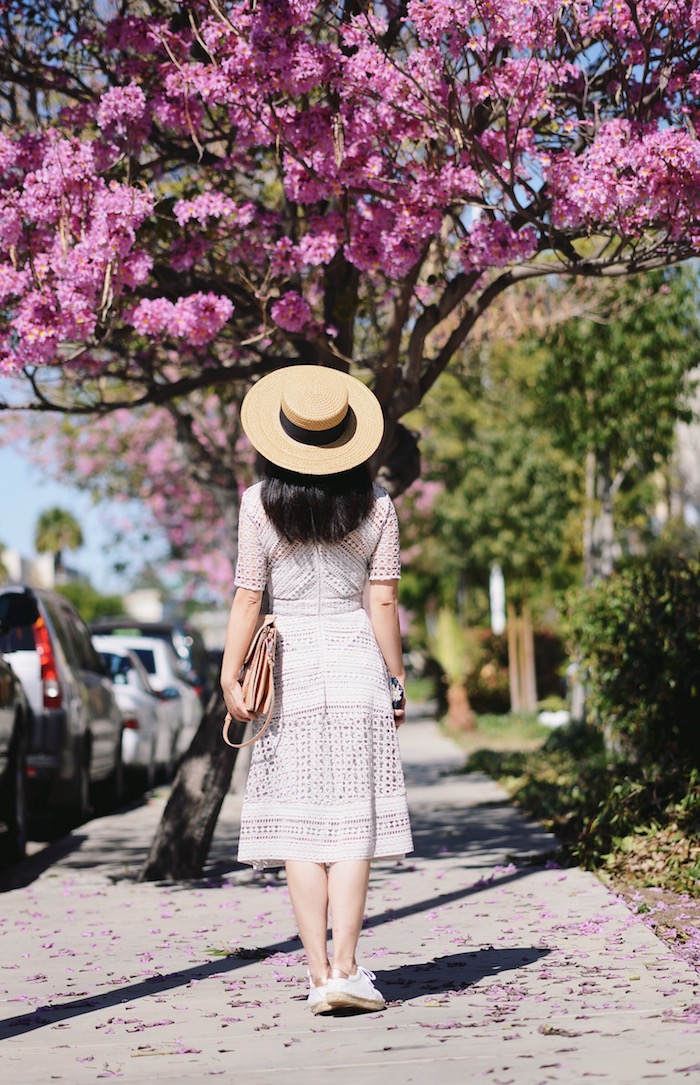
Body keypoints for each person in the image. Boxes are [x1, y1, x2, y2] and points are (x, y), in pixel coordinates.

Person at [220, 364, 413, 1015]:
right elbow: (382, 599)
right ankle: (350, 968)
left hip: (291, 671)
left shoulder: (258, 503)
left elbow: (249, 594)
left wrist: (231, 670)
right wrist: (396, 675)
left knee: (303, 828)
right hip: (357, 663)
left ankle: (318, 972)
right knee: (351, 827)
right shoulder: (378, 503)